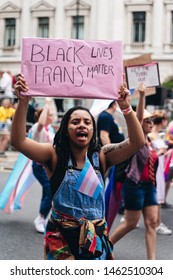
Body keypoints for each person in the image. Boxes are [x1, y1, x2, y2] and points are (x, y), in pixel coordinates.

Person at [11, 74, 145, 260]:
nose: (82, 125)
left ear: (92, 130)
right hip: (61, 240)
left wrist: (126, 107)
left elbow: (137, 142)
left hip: (94, 240)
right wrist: (23, 102)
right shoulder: (54, 155)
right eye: (75, 122)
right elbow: (18, 141)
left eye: (87, 122)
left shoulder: (103, 156)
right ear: (66, 129)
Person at [110, 84, 159, 260]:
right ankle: (107, 246)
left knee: (152, 223)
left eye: (152, 120)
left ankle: (151, 261)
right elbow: (137, 118)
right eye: (148, 120)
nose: (151, 123)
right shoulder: (135, 140)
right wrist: (142, 95)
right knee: (131, 223)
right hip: (134, 186)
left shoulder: (152, 143)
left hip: (149, 187)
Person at [30, 99, 55, 233]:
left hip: (48, 165)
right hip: (40, 165)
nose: (52, 117)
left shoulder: (49, 130)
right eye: (49, 115)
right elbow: (40, 122)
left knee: (48, 191)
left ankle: (44, 217)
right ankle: (40, 218)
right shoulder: (37, 128)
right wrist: (46, 104)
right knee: (50, 190)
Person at [149, 112, 172, 235]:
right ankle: (157, 223)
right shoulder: (151, 135)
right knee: (156, 194)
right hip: (155, 168)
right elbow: (150, 153)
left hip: (159, 167)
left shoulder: (157, 134)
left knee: (157, 193)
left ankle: (156, 222)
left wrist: (164, 153)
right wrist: (160, 152)